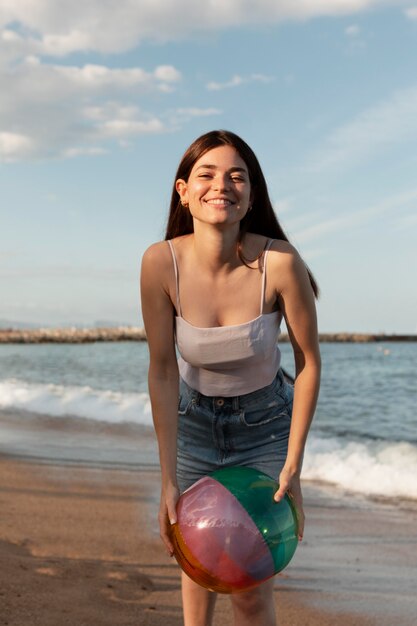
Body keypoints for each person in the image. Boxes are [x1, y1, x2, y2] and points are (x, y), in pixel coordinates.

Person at [140, 130, 321, 626]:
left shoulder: (280, 263)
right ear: (183, 191)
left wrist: (293, 466)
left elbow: (308, 363)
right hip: (194, 425)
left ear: (251, 195)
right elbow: (161, 369)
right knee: (196, 565)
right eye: (208, 173)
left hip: (264, 426)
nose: (222, 184)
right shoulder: (161, 263)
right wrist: (167, 479)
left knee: (249, 579)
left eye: (236, 175)